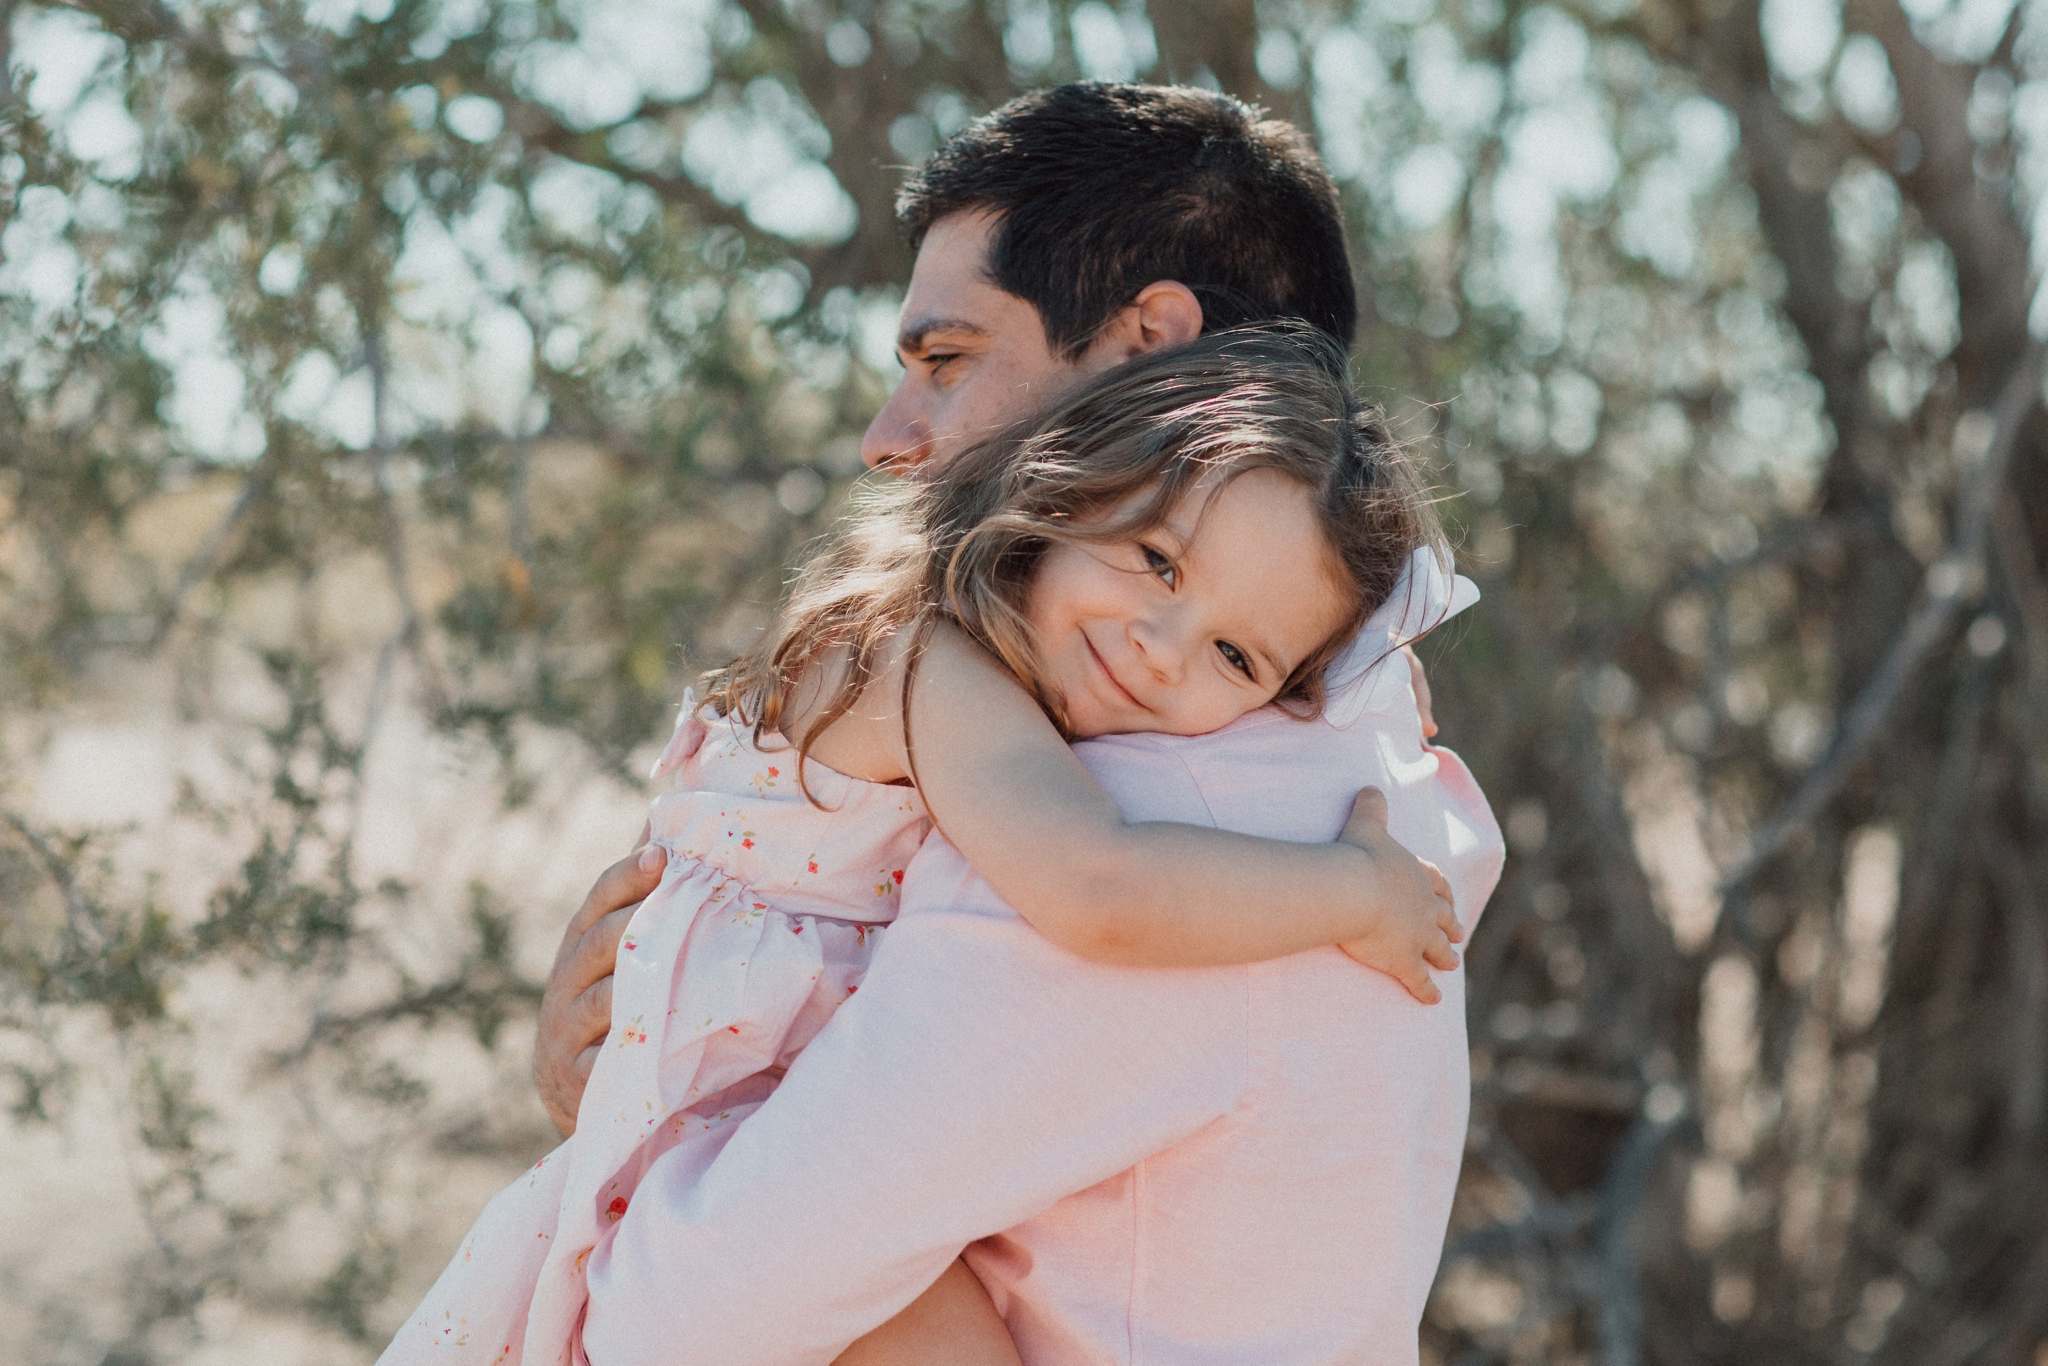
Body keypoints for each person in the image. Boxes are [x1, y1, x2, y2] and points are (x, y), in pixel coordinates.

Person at [542, 83, 1505, 1364]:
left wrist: (618, 1121)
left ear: (1145, 349)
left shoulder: (1165, 813)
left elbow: (692, 1307)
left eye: (945, 360)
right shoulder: (1359, 753)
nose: (891, 439)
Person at [380, 326, 1463, 1366]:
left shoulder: (1000, 664)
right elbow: (1100, 886)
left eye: (1235, 655)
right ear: (1070, 481)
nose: (1159, 650)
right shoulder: (927, 658)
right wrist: (1355, 891)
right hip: (730, 1140)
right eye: (1156, 561)